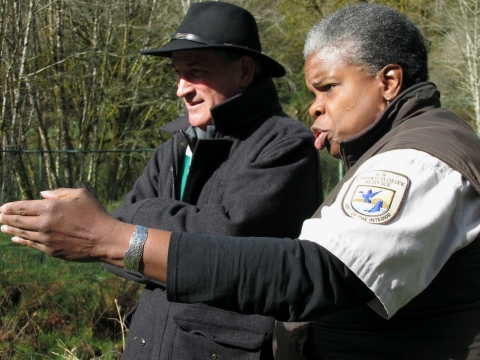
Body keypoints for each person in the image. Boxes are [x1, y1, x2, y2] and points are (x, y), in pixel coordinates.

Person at [2, 3, 480, 358]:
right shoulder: (177, 143)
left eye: (328, 88)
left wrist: (117, 236)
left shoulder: (420, 157)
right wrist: (134, 234)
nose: (313, 106)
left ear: (389, 83)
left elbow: (304, 272)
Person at [2, 2, 321, 359]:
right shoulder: (176, 145)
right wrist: (139, 241)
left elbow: (220, 251)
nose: (181, 89)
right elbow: (122, 232)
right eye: (178, 73)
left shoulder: (284, 145)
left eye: (195, 72)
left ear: (245, 71)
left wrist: (133, 230)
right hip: (149, 343)